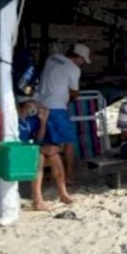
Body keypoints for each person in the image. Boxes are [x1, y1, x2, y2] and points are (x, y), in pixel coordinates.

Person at [37, 43, 91, 184]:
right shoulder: (73, 69)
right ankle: (69, 175)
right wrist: (72, 96)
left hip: (40, 105)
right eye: (82, 60)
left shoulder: (52, 58)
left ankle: (47, 176)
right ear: (78, 57)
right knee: (69, 141)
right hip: (57, 108)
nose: (82, 63)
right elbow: (74, 92)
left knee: (47, 142)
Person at [17, 96, 73, 210]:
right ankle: (37, 200)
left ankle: (63, 193)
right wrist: (39, 149)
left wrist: (43, 121)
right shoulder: (13, 121)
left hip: (29, 151)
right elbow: (15, 143)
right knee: (39, 157)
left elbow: (39, 139)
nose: (32, 109)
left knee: (54, 156)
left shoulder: (31, 121)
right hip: (18, 153)